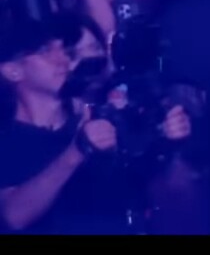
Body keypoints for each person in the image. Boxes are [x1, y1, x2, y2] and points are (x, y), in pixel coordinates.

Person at [0, 17, 192, 233]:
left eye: (64, 50)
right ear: (13, 71)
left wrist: (169, 146)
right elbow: (13, 216)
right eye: (45, 50)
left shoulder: (101, 120)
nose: (62, 58)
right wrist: (76, 152)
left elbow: (162, 201)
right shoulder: (8, 140)